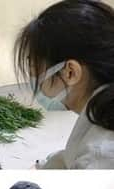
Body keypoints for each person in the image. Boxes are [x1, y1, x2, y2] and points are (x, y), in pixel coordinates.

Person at [14, 0, 114, 169]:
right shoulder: (100, 114)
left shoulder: (99, 158)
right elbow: (70, 155)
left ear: (70, 72)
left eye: (34, 67)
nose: (33, 78)